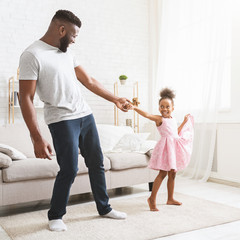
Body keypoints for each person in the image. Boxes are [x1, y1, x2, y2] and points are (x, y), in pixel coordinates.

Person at [18, 10, 130, 232]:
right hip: (61, 120)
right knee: (69, 168)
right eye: (73, 35)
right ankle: (56, 215)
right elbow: (26, 98)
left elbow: (88, 80)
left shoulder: (67, 53)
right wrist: (36, 137)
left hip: (85, 115)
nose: (74, 40)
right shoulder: (32, 55)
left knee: (96, 163)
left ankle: (104, 208)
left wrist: (115, 98)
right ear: (61, 30)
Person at [131, 88, 194, 211]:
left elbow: (175, 132)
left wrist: (185, 122)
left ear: (173, 108)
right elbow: (147, 115)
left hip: (174, 148)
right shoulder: (160, 119)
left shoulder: (172, 119)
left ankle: (170, 198)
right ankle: (152, 199)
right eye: (162, 106)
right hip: (166, 149)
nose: (164, 109)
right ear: (159, 107)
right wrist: (134, 107)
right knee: (163, 173)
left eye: (167, 107)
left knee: (173, 174)